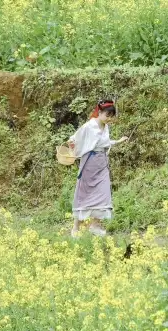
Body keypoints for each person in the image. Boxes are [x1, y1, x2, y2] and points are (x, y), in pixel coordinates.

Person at [68, 99, 128, 238]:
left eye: (111, 116)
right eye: (107, 115)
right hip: (89, 162)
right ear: (99, 113)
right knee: (84, 193)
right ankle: (76, 227)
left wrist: (118, 141)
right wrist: (72, 144)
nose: (109, 119)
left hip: (101, 163)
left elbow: (104, 143)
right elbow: (74, 138)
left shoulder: (105, 127)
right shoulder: (89, 126)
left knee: (104, 191)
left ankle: (95, 224)